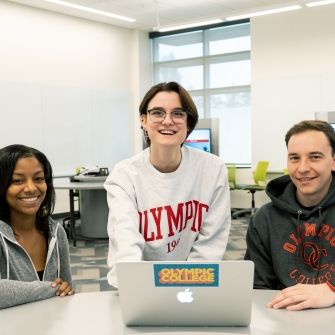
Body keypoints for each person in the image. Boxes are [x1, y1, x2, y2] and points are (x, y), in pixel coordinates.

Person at [104, 81, 231, 288]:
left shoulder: (213, 170)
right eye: (158, 113)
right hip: (140, 286)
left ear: (189, 123)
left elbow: (210, 244)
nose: (168, 121)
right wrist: (138, 288)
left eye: (178, 114)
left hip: (195, 284)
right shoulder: (124, 175)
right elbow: (126, 243)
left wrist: (187, 286)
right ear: (143, 120)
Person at [245, 120, 335, 311]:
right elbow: (257, 290)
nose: (302, 168)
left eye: (315, 157)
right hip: (286, 317)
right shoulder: (264, 220)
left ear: (333, 161)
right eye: (294, 158)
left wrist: (332, 290)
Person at [0, 144, 74, 309]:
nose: (31, 188)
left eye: (39, 178)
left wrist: (63, 290)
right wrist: (48, 288)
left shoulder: (55, 231)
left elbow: (66, 290)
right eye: (17, 180)